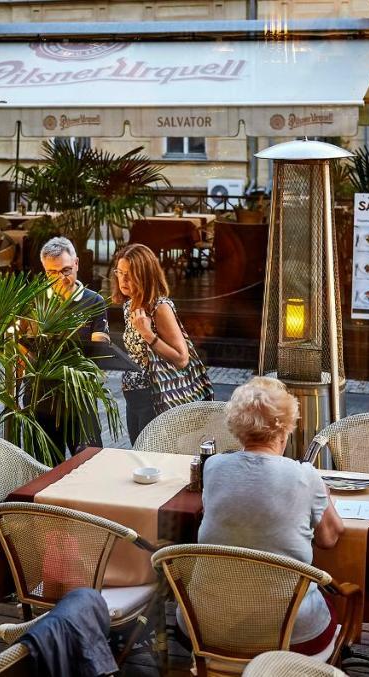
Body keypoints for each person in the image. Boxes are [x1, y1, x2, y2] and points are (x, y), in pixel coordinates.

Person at [196, 376, 345, 651]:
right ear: (286, 428)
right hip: (287, 632)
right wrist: (319, 486)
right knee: (337, 602)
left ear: (237, 428)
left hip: (207, 625)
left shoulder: (213, 467)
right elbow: (329, 539)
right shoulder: (305, 475)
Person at [113, 243, 202, 443]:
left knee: (151, 456)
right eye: (120, 272)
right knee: (137, 453)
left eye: (130, 274)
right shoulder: (129, 305)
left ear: (145, 275)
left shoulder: (160, 308)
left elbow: (182, 358)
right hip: (133, 394)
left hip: (156, 395)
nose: (123, 279)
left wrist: (147, 333)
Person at [35, 236, 110, 455]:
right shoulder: (35, 300)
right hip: (42, 397)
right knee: (45, 467)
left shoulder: (94, 301)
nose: (61, 278)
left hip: (80, 397)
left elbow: (100, 349)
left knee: (90, 461)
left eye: (66, 270)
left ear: (76, 263)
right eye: (52, 273)